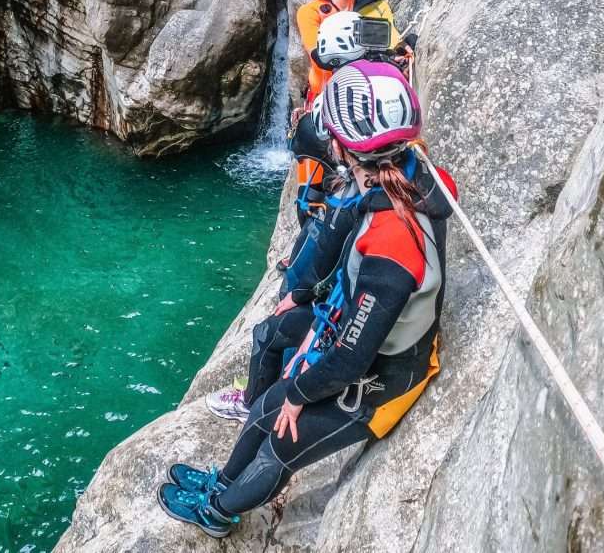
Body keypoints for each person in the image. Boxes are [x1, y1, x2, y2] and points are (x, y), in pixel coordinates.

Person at [159, 61, 456, 538]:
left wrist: (300, 392)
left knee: (280, 438)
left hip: (384, 377)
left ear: (345, 146)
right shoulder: (400, 175)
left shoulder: (392, 242)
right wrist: (309, 312)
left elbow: (353, 359)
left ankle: (218, 512)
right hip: (360, 339)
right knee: (266, 403)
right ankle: (225, 479)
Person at [293, 0, 413, 222]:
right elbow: (318, 55)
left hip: (367, 104)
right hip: (325, 102)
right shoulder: (311, 13)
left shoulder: (374, 3)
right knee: (310, 196)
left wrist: (400, 50)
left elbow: (392, 40)